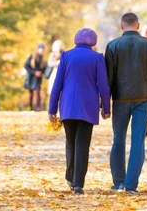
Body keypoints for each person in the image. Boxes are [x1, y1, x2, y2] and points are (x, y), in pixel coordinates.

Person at [105, 13, 147, 194]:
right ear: (138, 25)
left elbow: (107, 79)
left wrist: (105, 102)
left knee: (118, 140)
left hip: (120, 99)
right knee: (138, 141)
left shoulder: (112, 46)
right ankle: (131, 185)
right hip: (143, 98)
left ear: (121, 26)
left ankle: (118, 182)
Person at [48, 28, 111, 195]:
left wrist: (52, 109)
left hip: (68, 106)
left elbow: (57, 84)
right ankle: (78, 184)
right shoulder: (97, 58)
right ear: (93, 42)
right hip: (88, 108)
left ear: (76, 39)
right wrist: (106, 108)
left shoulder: (66, 56)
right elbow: (104, 86)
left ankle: (70, 177)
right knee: (82, 145)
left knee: (70, 143)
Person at [24, 44, 46, 111]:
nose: (42, 50)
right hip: (31, 77)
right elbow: (26, 66)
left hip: (38, 78)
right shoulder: (32, 56)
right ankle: (31, 107)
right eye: (41, 49)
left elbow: (44, 68)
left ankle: (38, 107)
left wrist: (40, 73)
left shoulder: (42, 58)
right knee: (31, 93)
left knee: (38, 92)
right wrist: (34, 72)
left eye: (43, 49)